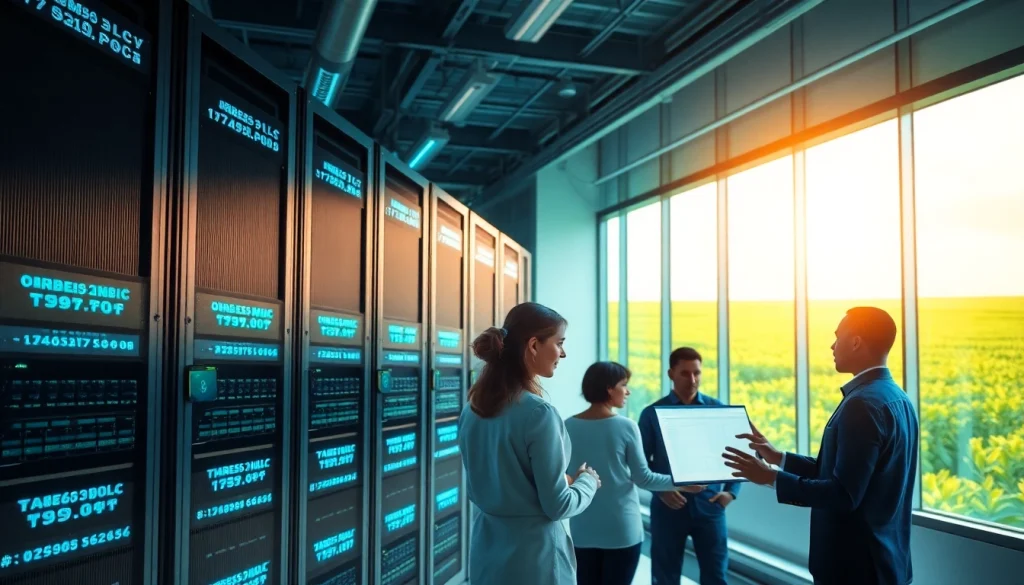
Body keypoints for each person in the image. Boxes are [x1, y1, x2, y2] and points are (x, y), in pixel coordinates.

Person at [723, 306, 918, 585]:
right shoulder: (898, 399)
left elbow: (843, 494)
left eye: (838, 336)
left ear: (856, 342)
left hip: (855, 571)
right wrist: (778, 457)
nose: (832, 345)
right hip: (886, 563)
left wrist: (769, 477)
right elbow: (844, 474)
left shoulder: (862, 404)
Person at [459, 302, 602, 585]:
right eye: (559, 343)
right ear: (534, 345)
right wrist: (587, 482)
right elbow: (558, 506)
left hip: (487, 553)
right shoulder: (539, 414)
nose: (563, 353)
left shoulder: (472, 408)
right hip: (535, 561)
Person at [565, 361, 703, 585]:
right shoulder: (625, 426)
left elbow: (565, 476)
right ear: (609, 388)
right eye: (623, 385)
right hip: (621, 529)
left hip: (582, 528)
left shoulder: (567, 426)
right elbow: (644, 478)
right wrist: (682, 483)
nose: (628, 391)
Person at [638, 347, 742, 585]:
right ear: (670, 373)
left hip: (711, 505)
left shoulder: (717, 409)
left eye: (697, 373)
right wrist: (660, 490)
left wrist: (731, 493)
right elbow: (641, 462)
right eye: (685, 373)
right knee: (665, 575)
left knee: (716, 575)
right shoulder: (652, 414)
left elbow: (736, 454)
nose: (693, 380)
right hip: (668, 507)